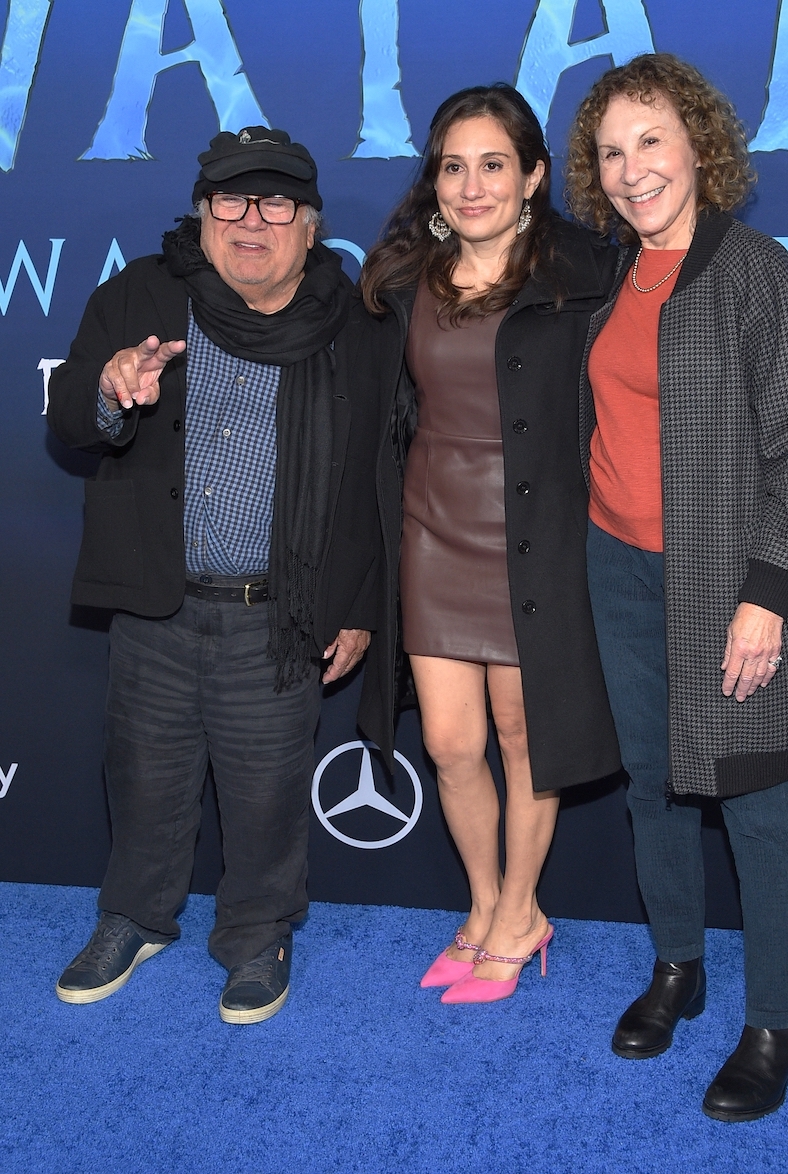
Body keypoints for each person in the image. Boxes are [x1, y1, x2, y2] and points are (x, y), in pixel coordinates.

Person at [565, 54, 788, 1119]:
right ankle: (677, 967)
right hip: (617, 566)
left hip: (729, 581)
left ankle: (779, 1023)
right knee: (652, 780)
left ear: (698, 145)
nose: (634, 168)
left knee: (759, 803)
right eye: (611, 150)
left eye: (651, 140)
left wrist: (767, 592)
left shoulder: (751, 270)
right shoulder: (610, 272)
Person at [47, 126, 383, 1024]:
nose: (250, 221)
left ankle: (257, 933)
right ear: (201, 216)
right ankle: (135, 917)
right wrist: (111, 390)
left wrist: (354, 605)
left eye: (276, 204)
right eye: (229, 201)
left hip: (276, 614)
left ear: (310, 226)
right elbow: (70, 414)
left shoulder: (352, 325)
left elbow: (375, 482)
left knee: (267, 792)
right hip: (157, 601)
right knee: (143, 776)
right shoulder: (141, 295)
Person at [359, 84, 620, 1005]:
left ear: (534, 176)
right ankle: (481, 905)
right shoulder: (398, 280)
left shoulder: (586, 275)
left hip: (535, 540)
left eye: (494, 165)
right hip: (432, 533)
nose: (471, 187)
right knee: (449, 741)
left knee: (522, 736)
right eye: (453, 167)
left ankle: (519, 913)